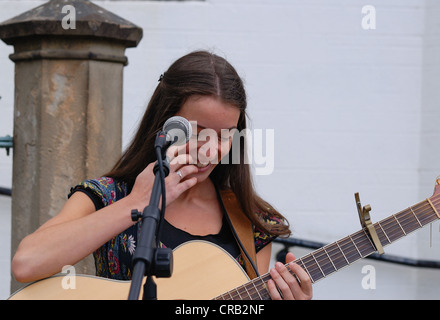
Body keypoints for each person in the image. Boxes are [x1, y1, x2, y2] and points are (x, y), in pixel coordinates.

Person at [11, 50, 312, 300]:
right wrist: (139, 202)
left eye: (223, 136)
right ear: (165, 123)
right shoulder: (109, 194)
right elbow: (27, 263)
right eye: (197, 131)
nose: (210, 150)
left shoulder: (251, 221)